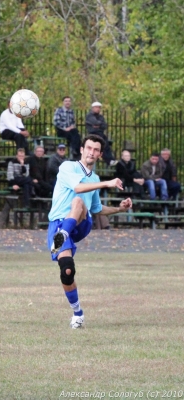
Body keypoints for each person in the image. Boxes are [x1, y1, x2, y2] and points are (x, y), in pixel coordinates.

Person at [47, 134, 132, 329]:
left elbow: (96, 209)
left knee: (77, 201)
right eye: (89, 148)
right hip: (58, 223)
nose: (91, 152)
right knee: (67, 271)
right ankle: (78, 314)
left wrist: (119, 208)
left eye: (96, 150)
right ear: (82, 150)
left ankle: (63, 236)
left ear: (100, 154)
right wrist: (107, 184)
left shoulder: (94, 178)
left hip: (80, 224)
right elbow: (78, 186)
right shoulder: (68, 167)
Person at [85, 102, 117, 166]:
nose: (98, 109)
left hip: (100, 134)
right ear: (93, 108)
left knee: (107, 145)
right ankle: (109, 160)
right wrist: (99, 124)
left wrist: (98, 125)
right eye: (96, 107)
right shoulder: (89, 116)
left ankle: (111, 159)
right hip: (93, 134)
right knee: (102, 145)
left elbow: (104, 126)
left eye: (99, 107)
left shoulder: (101, 117)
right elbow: (95, 122)